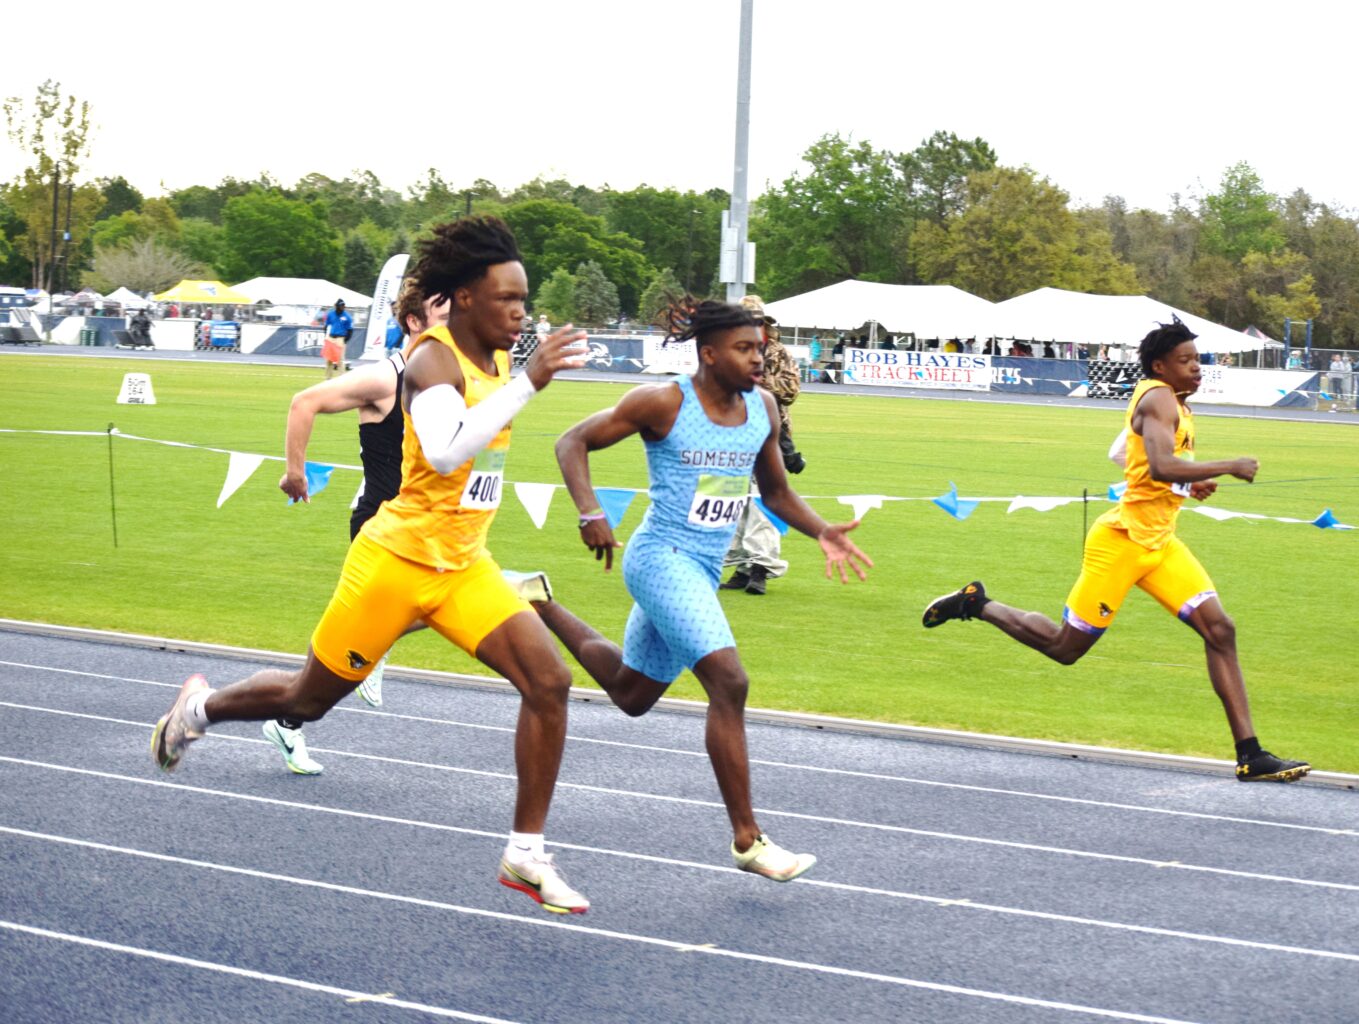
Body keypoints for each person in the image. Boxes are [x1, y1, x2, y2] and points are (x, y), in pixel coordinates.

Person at [151, 216, 595, 913]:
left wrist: (523, 376)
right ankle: (198, 709)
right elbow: (448, 450)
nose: (521, 313)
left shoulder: (504, 357)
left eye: (524, 298)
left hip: (462, 566)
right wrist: (531, 382)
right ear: (467, 298)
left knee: (549, 680)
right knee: (307, 700)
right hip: (395, 563)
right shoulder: (431, 361)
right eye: (508, 299)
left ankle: (525, 853)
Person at [533, 297, 872, 883]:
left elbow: (776, 493)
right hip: (660, 558)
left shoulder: (762, 407)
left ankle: (536, 602)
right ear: (709, 353)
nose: (758, 360)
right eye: (745, 349)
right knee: (730, 681)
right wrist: (590, 511)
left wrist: (823, 531)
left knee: (631, 693)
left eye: (761, 348)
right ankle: (748, 838)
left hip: (702, 567)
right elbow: (571, 442)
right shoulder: (664, 402)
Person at [922, 318, 1309, 784]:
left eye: (1197, 360)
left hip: (1160, 543)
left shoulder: (1172, 402)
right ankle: (976, 603)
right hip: (1122, 542)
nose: (1196, 368)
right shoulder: (1158, 397)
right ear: (1159, 365)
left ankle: (1251, 754)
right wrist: (1228, 466)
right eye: (1185, 361)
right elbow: (1162, 465)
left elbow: (1125, 456)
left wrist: (1191, 481)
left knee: (1220, 631)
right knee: (1065, 648)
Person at [263, 279, 450, 774]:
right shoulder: (385, 380)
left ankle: (369, 650)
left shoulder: (443, 382)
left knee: (423, 613)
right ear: (415, 322)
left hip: (423, 528)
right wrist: (295, 473)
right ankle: (270, 717)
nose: (454, 326)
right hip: (381, 530)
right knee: (340, 655)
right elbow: (305, 402)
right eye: (444, 315)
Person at [721, 294, 804, 595]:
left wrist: (755, 381)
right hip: (730, 434)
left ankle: (761, 568)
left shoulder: (778, 352)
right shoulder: (726, 349)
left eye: (757, 321)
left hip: (769, 435)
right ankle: (742, 566)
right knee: (731, 500)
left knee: (762, 502)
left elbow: (792, 390)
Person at [322, 299, 353, 379]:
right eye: (341, 306)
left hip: (340, 338)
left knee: (340, 360)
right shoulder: (331, 314)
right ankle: (328, 379)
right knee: (329, 360)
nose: (343, 307)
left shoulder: (347, 316)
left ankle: (342, 380)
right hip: (331, 337)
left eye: (343, 306)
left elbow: (350, 330)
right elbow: (326, 326)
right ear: (336, 306)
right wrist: (326, 336)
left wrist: (345, 340)